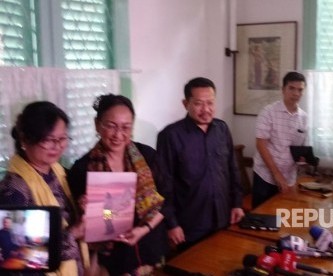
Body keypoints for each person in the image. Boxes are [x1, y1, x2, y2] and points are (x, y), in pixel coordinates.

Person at [67, 94, 168, 275]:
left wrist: (143, 230)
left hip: (149, 248)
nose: (118, 135)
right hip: (112, 258)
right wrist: (86, 209)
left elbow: (167, 200)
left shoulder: (148, 156)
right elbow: (81, 225)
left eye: (125, 127)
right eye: (111, 126)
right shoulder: (82, 169)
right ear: (97, 124)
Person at [156, 77, 244, 249]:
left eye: (210, 103)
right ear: (185, 103)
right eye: (198, 104)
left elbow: (233, 170)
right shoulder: (170, 136)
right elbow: (163, 185)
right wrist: (172, 224)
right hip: (190, 224)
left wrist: (237, 204)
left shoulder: (222, 129)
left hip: (223, 217)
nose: (206, 109)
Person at [0, 101, 87, 275]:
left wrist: (83, 207)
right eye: (48, 140)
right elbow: (17, 257)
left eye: (62, 138)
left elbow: (107, 214)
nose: (57, 146)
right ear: (25, 139)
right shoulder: (14, 190)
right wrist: (73, 234)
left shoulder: (58, 172)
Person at [252, 71, 308, 208]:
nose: (296, 93)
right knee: (261, 218)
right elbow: (261, 145)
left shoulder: (304, 117)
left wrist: (303, 159)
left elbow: (298, 147)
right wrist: (277, 175)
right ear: (283, 90)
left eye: (300, 90)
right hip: (265, 176)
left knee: (284, 218)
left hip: (289, 178)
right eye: (292, 88)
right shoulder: (268, 112)